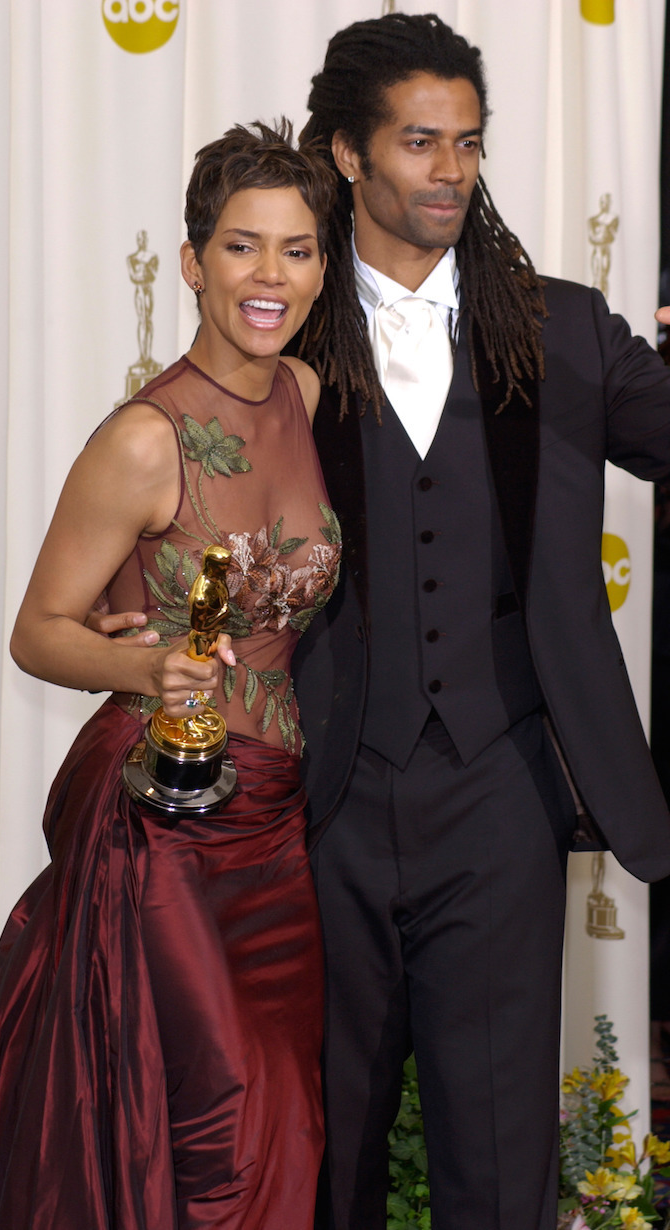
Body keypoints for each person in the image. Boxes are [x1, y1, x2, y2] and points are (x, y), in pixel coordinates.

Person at [0, 120, 339, 1230]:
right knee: (207, 1129)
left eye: (295, 250)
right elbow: (39, 631)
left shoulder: (303, 390)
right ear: (191, 263)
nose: (269, 276)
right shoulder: (145, 440)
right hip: (169, 829)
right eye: (242, 247)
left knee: (285, 1116)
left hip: (276, 830)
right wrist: (151, 664)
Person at [286, 13, 670, 1230]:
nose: (449, 170)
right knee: (315, 1152)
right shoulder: (276, 328)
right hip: (319, 794)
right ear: (348, 154)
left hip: (500, 796)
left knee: (500, 1165)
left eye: (467, 142)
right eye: (418, 142)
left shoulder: (559, 330)